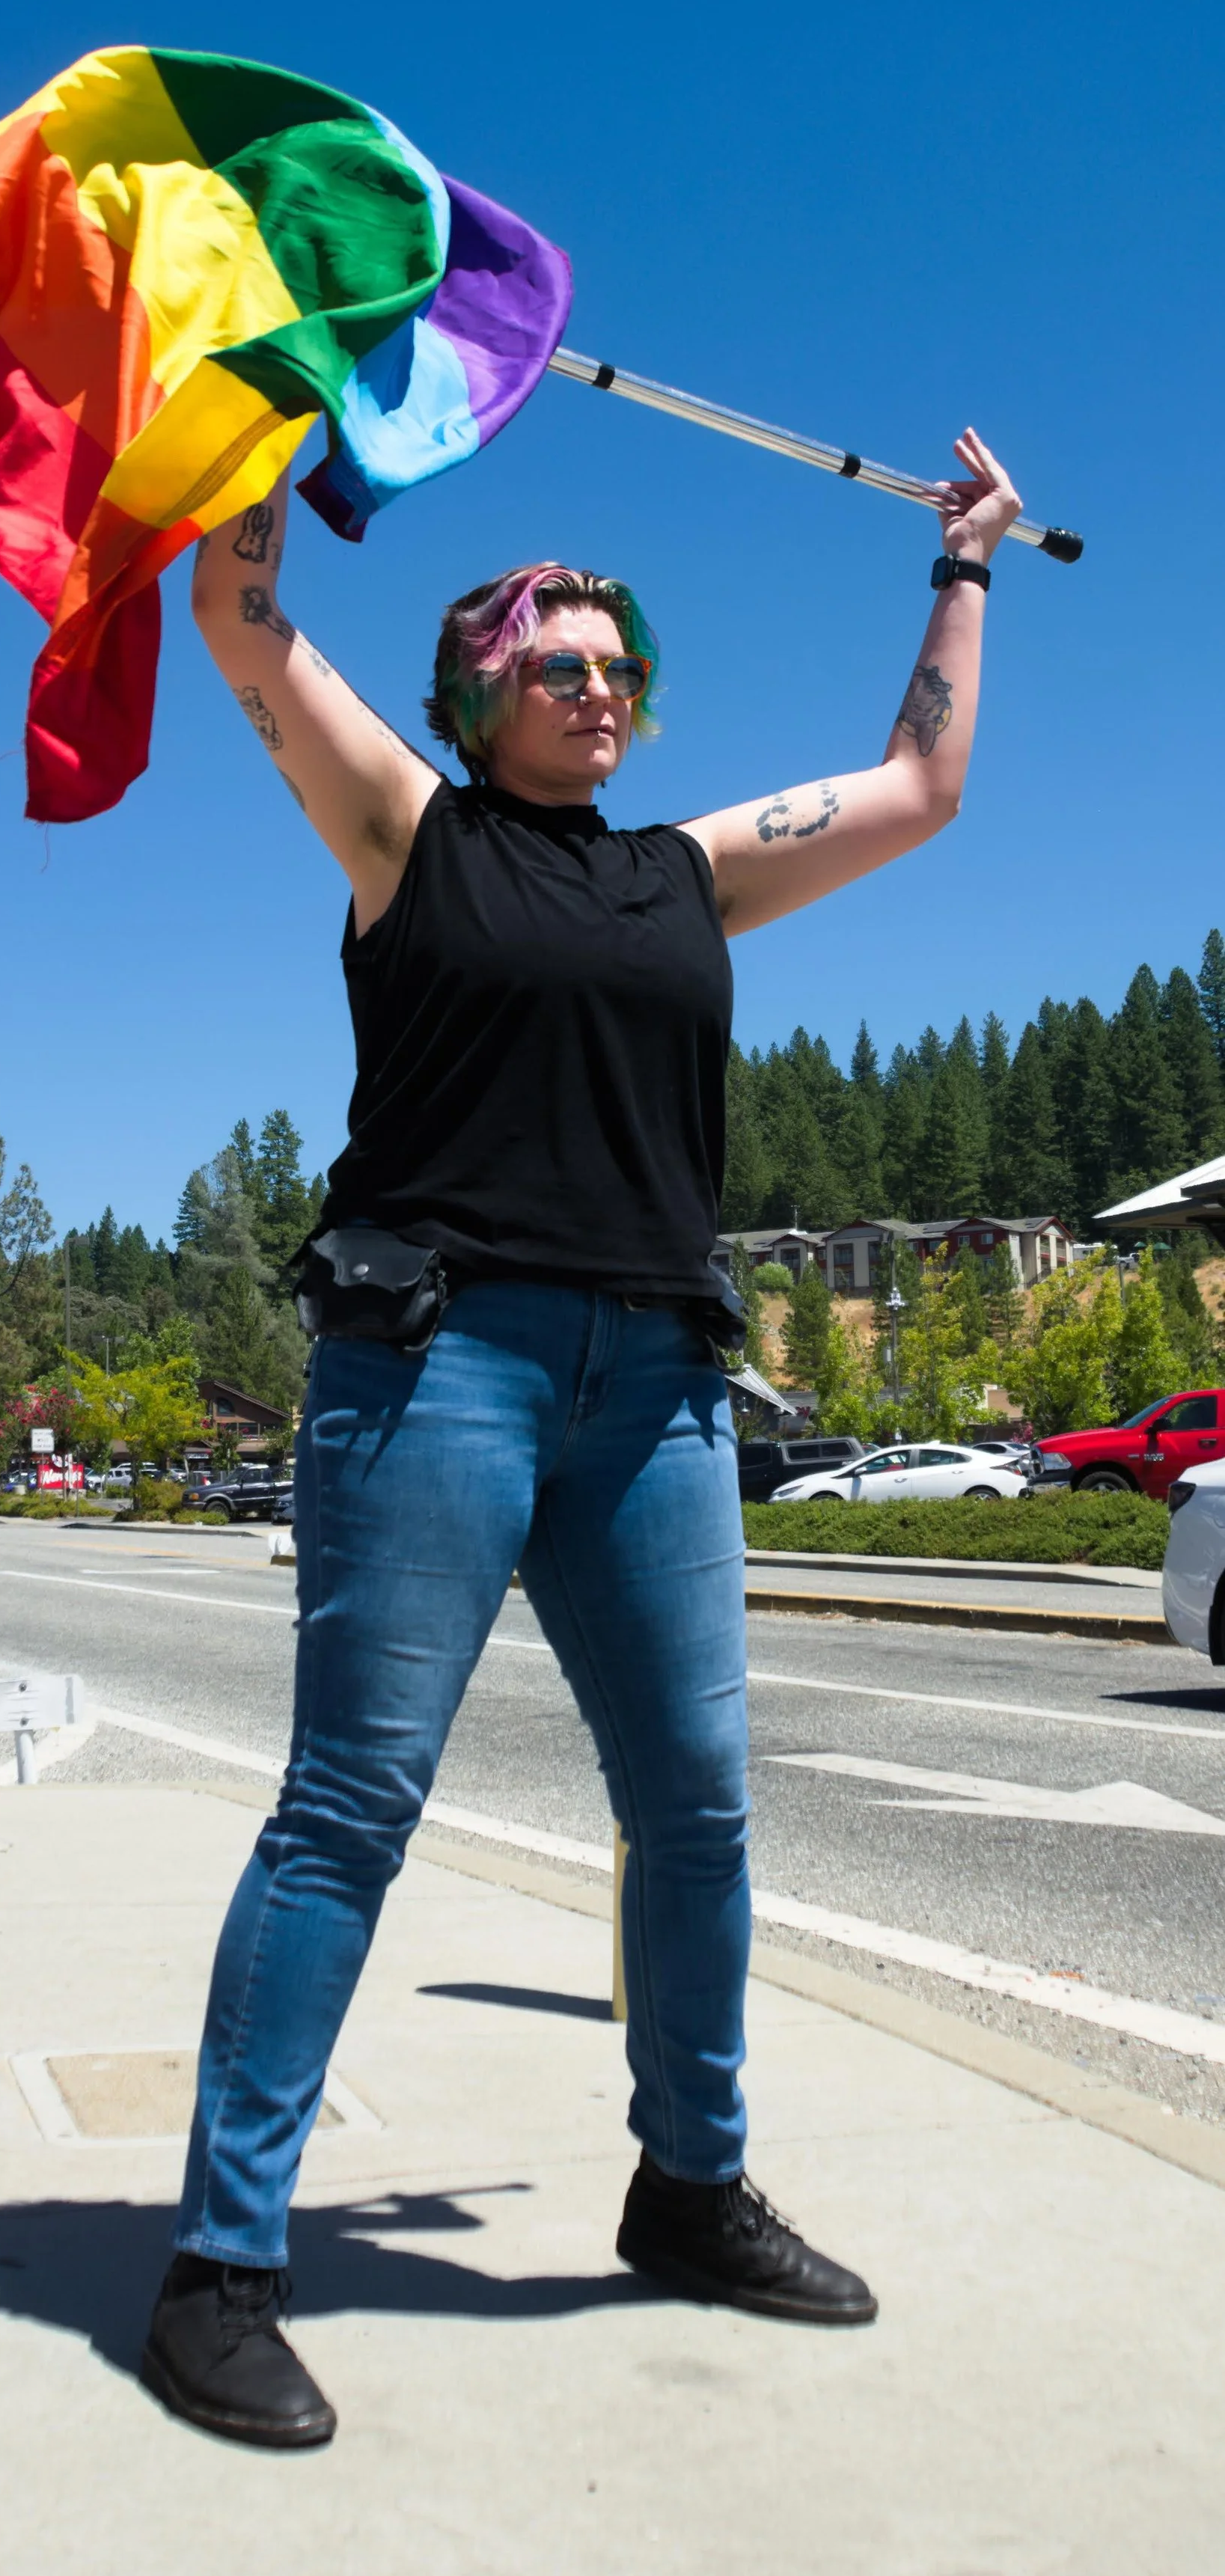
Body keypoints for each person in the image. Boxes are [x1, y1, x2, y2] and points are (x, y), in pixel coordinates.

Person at [141, 432, 1023, 2449]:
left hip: (657, 1391)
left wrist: (961, 569)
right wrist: (256, 416)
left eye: (617, 658)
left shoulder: (686, 871)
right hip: (434, 1361)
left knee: (699, 1805)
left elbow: (919, 788)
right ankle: (219, 2262)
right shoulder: (404, 830)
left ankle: (686, 2186)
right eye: (555, 657)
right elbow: (241, 618)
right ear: (470, 692)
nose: (597, 681)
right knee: (350, 1806)